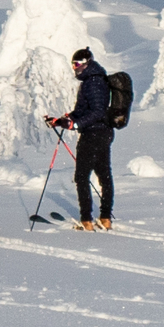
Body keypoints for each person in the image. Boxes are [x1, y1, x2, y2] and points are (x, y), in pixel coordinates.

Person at [48, 46, 116, 231]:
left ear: (87, 64)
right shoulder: (94, 80)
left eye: (77, 64)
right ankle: (105, 218)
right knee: (104, 175)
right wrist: (62, 120)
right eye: (73, 64)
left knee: (82, 176)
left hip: (94, 134)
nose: (74, 68)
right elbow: (81, 111)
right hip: (102, 133)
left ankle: (87, 220)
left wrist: (75, 125)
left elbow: (97, 112)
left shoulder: (93, 82)